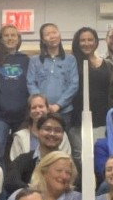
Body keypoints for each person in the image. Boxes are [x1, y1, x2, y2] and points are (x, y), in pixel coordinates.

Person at [28, 23, 79, 153]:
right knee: (40, 145)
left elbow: (74, 84)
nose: (52, 36)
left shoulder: (70, 59)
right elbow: (30, 83)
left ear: (60, 35)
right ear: (42, 39)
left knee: (62, 147)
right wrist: (42, 105)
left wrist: (58, 105)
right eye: (47, 34)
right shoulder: (34, 60)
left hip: (64, 112)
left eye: (54, 32)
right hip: (40, 112)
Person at [0, 24, 30, 155]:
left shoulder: (26, 60)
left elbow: (31, 85)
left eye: (13, 35)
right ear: (1, 39)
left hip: (22, 116)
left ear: (18, 39)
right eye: (6, 35)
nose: (10, 38)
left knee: (23, 152)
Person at [5, 113, 73, 196]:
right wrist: (36, 194)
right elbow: (10, 182)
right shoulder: (23, 159)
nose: (52, 134)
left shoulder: (71, 164)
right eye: (47, 129)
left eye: (57, 131)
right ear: (37, 132)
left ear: (63, 135)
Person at [71, 27, 113, 138]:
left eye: (90, 39)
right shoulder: (71, 64)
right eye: (82, 40)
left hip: (102, 120)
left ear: (96, 41)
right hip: (77, 122)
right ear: (77, 43)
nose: (87, 43)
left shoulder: (107, 65)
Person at [8, 94, 71, 162]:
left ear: (48, 109)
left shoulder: (60, 135)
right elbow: (15, 164)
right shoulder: (19, 137)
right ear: (29, 112)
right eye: (34, 107)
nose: (38, 110)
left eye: (41, 106)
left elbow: (66, 161)